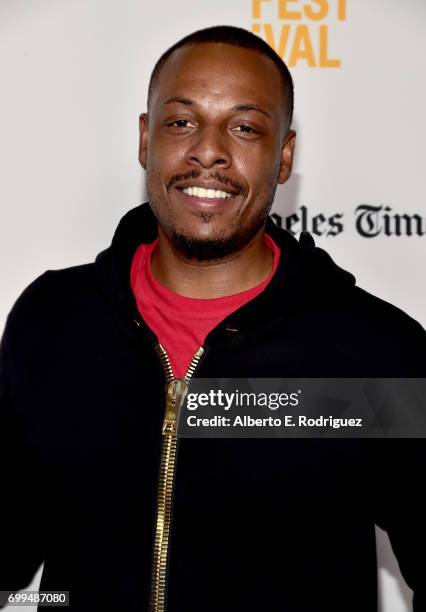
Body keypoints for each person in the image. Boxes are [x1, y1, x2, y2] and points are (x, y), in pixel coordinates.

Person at [0, 25, 425, 612]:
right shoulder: (52, 320)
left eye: (245, 127)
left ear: (285, 157)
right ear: (146, 139)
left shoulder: (376, 351)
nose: (209, 150)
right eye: (181, 122)